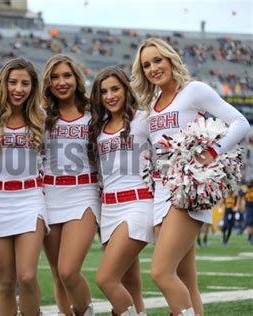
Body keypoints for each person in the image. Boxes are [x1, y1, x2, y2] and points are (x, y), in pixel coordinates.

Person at [131, 37, 250, 315]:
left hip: (189, 191)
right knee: (187, 278)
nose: (153, 68)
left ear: (170, 59)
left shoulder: (194, 90)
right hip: (160, 192)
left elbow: (240, 123)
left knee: (161, 272)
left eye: (158, 60)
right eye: (146, 64)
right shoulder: (153, 103)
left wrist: (213, 151)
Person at [0, 58, 47, 316]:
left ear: (33, 87)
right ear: (3, 84)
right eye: (13, 82)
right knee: (6, 282)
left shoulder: (41, 118)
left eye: (25, 84)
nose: (18, 89)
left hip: (30, 199)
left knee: (28, 276)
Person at [89, 66, 154, 316]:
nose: (110, 96)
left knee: (106, 279)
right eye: (104, 91)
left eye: (115, 89)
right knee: (131, 286)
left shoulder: (144, 119)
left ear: (127, 89)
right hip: (109, 210)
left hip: (137, 204)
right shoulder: (99, 127)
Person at [40, 54, 99, 316]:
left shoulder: (95, 112)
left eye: (67, 75)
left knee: (68, 269)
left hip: (84, 192)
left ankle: (86, 312)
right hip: (49, 194)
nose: (61, 82)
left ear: (76, 78)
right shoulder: (41, 114)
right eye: (55, 77)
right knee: (57, 273)